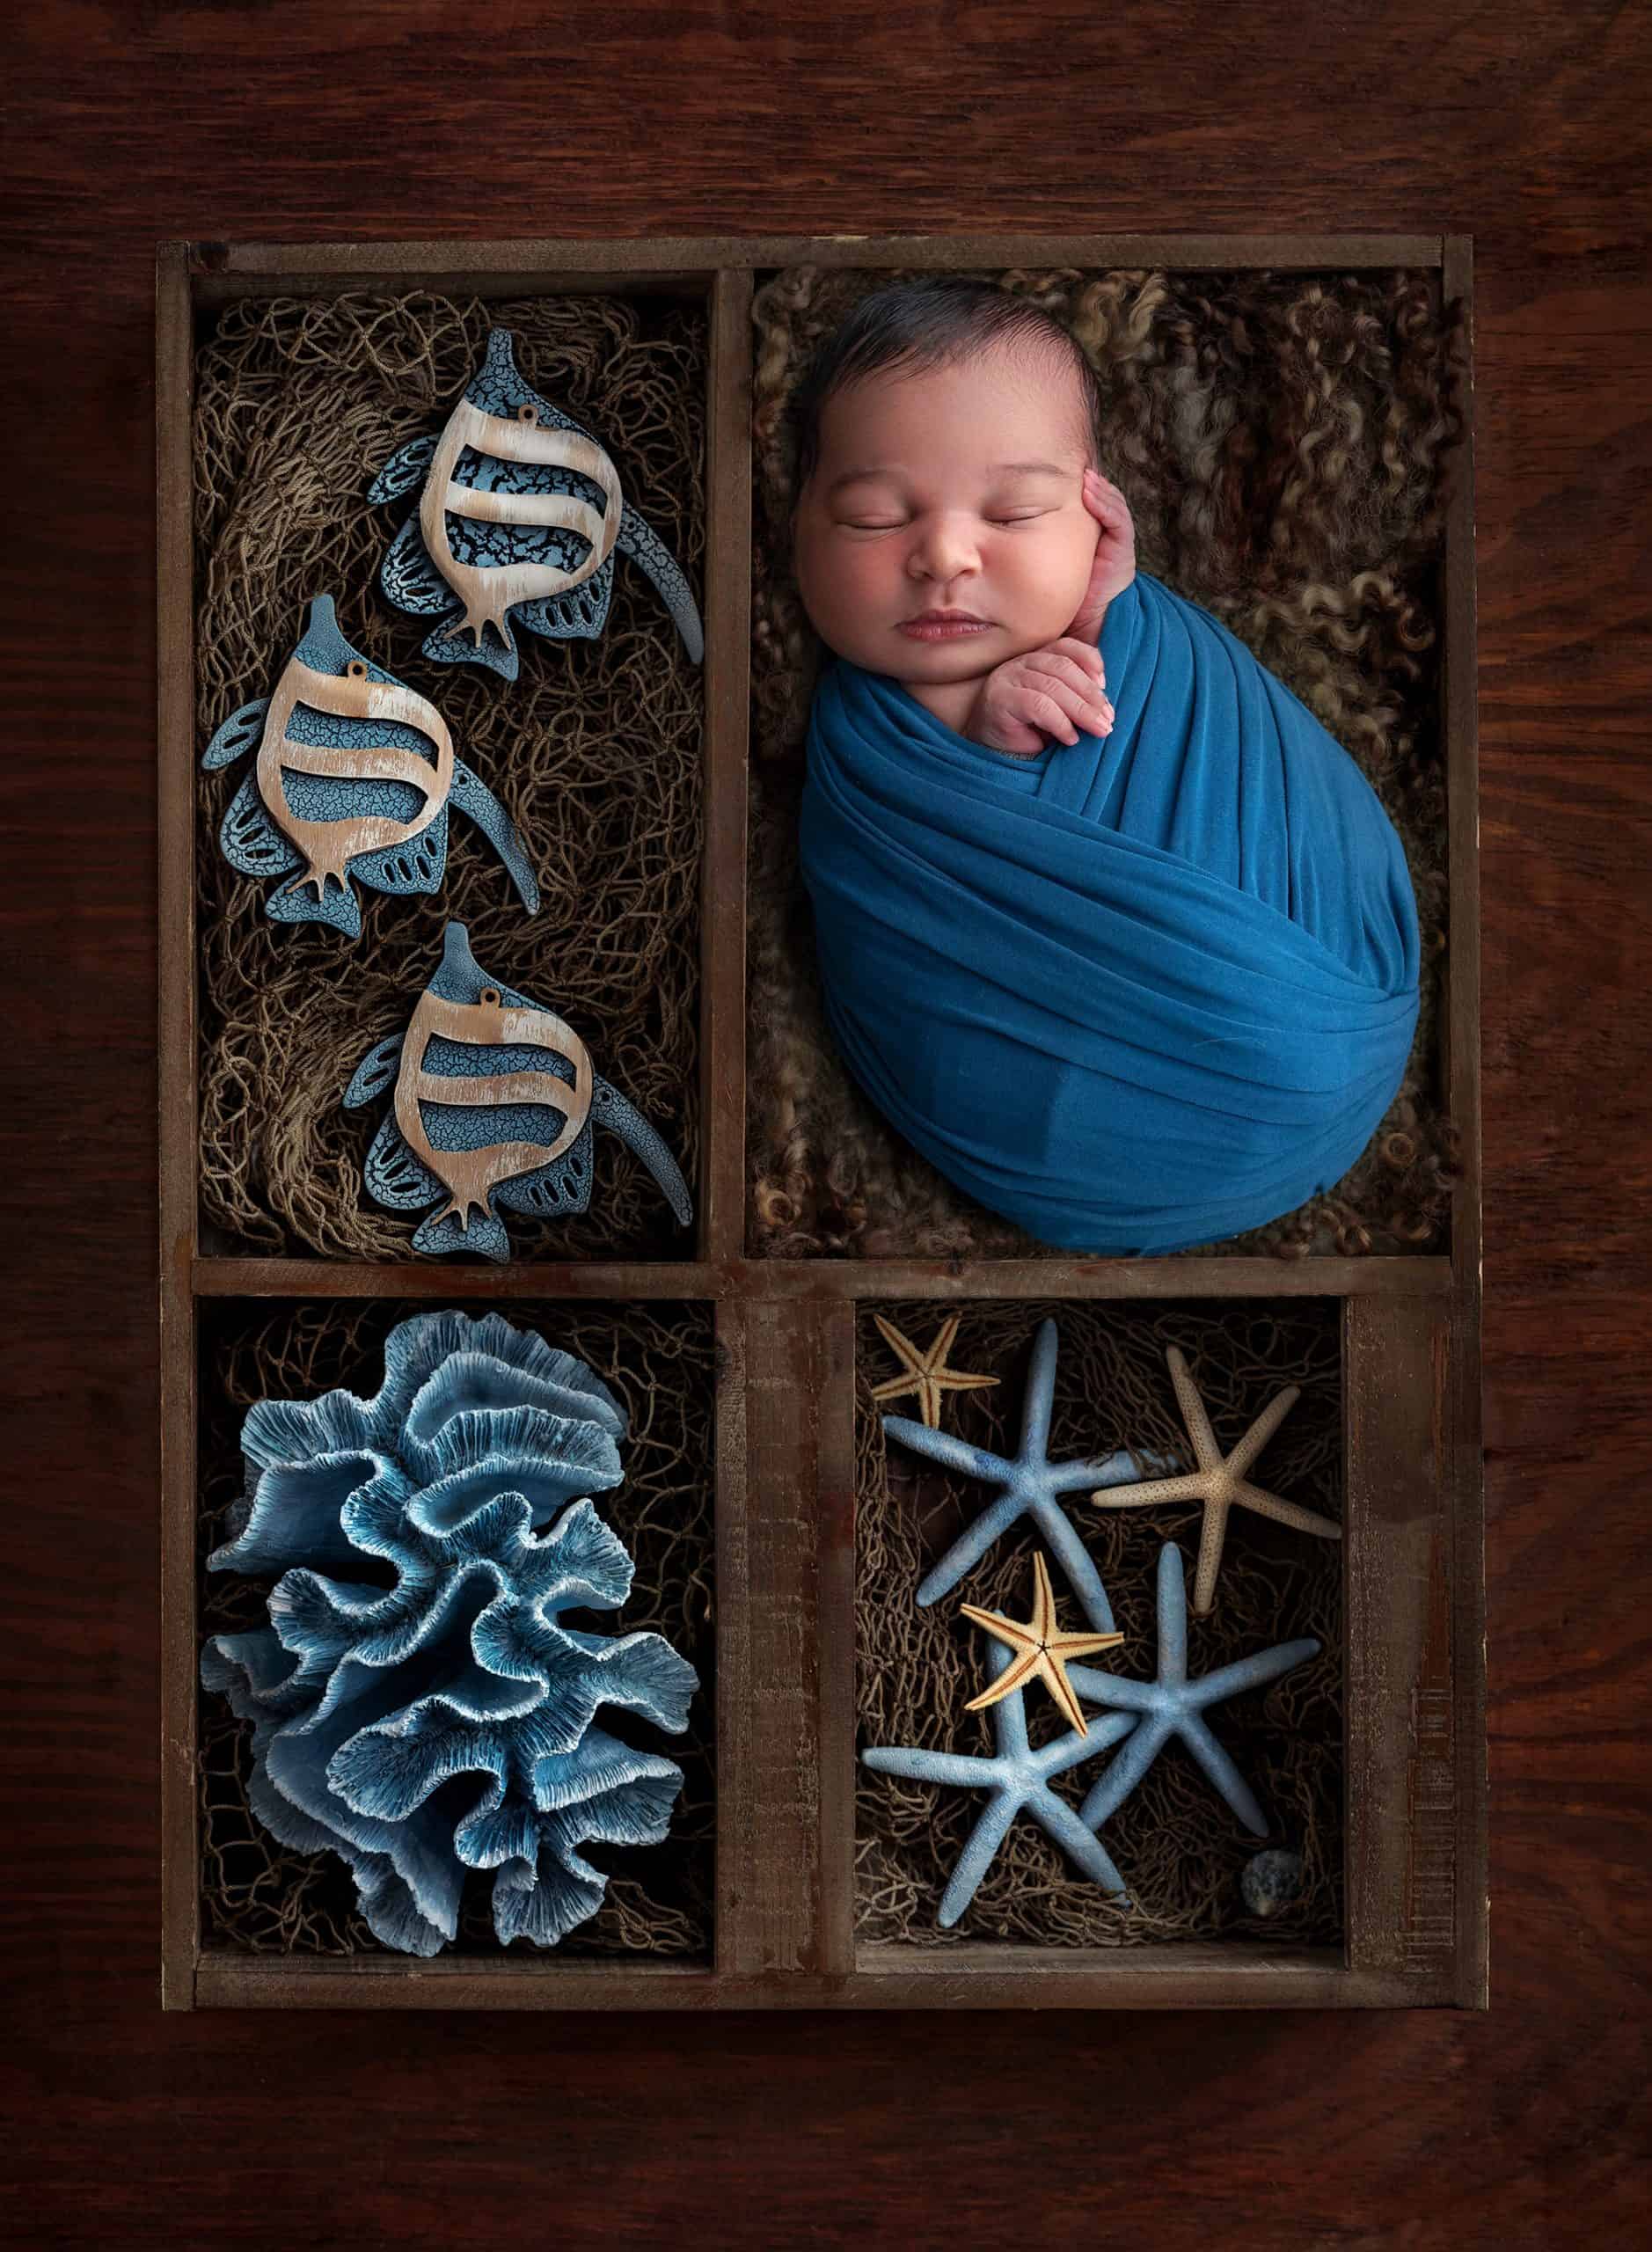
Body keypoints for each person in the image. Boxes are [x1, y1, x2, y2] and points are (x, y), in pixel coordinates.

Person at [785, 277, 1422, 1256]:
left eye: (1018, 512)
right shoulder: (869, 743)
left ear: (1101, 520)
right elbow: (903, 882)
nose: (946, 554)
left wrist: (1102, 618)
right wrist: (978, 725)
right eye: (875, 518)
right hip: (1099, 1091)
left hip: (1334, 1007)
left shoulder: (1155, 645)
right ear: (796, 536)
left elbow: (1152, 722)